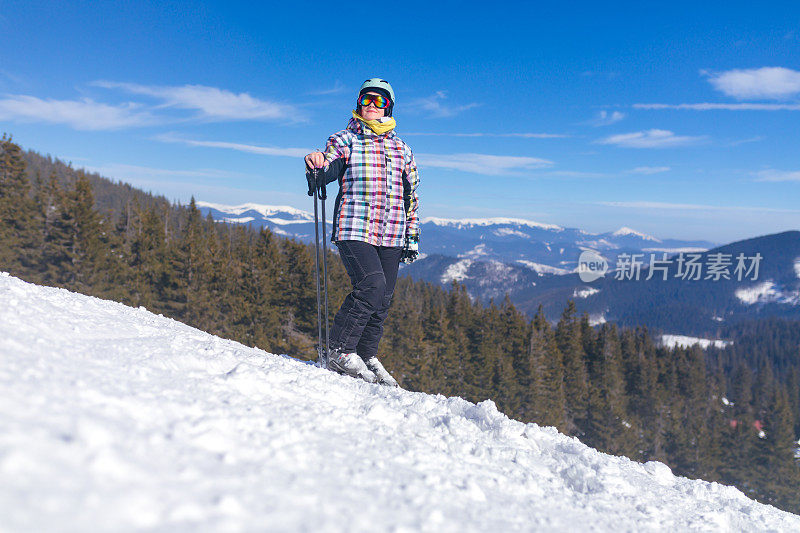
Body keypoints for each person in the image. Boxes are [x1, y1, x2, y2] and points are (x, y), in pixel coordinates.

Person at [304, 78, 420, 387]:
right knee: (371, 286)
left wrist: (412, 235)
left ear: (388, 107)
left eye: (378, 101)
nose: (371, 105)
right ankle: (340, 349)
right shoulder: (344, 140)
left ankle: (367, 354)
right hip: (355, 225)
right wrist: (316, 166)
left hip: (393, 231)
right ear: (358, 103)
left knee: (383, 299)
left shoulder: (402, 149)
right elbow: (327, 168)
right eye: (365, 99)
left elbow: (411, 196)